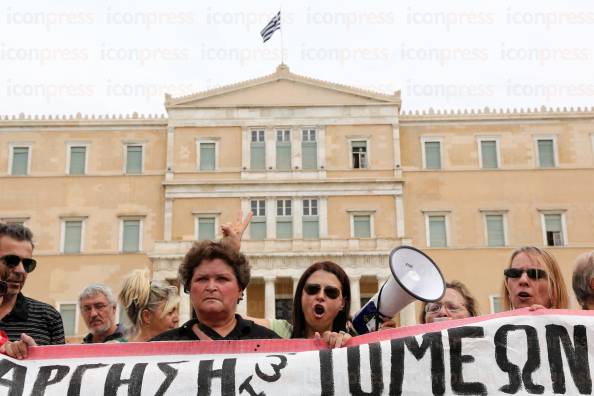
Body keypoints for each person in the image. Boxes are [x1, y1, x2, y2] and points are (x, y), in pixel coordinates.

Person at [151, 240, 279, 341]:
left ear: (240, 289)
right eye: (202, 279)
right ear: (189, 288)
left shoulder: (272, 343)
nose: (211, 287)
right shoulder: (158, 349)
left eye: (222, 279)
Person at [0, 223, 64, 345]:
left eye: (27, 263)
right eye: (11, 261)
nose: (21, 270)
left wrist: (35, 357)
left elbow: (58, 363)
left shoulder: (49, 317)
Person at [291, 261, 352, 347]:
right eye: (312, 289)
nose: (320, 296)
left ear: (342, 303)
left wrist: (350, 346)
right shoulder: (279, 332)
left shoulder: (351, 344)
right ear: (301, 295)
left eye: (331, 292)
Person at [119, 269, 180, 342]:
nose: (177, 319)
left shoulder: (176, 349)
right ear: (147, 316)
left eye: (176, 311)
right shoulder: (117, 350)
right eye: (170, 312)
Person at [501, 246, 569, 310]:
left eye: (534, 274)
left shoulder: (575, 322)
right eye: (514, 273)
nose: (523, 280)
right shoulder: (493, 322)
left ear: (554, 288)